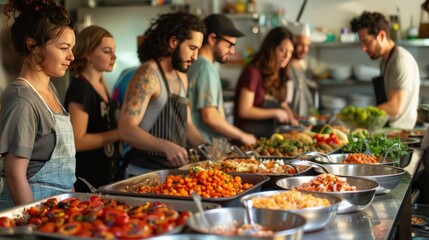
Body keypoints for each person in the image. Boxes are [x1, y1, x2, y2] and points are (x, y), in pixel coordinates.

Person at [0, 0, 76, 209]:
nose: (71, 56)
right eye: (64, 48)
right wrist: (33, 225)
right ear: (32, 45)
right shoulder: (23, 99)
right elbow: (15, 174)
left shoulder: (49, 90)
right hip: (34, 212)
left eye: (72, 48)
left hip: (56, 210)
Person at [118, 12, 207, 176]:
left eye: (198, 50)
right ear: (173, 42)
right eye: (192, 48)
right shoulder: (148, 75)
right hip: (144, 175)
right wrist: (166, 146)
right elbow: (125, 129)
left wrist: (208, 149)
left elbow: (187, 126)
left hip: (175, 175)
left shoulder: (182, 77)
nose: (195, 57)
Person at [64, 26, 121, 192]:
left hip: (107, 176)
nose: (114, 56)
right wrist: (118, 134)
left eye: (114, 51)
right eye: (107, 51)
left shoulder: (103, 85)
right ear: (88, 54)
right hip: (89, 178)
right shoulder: (81, 88)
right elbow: (78, 141)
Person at [187, 14, 256, 146]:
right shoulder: (206, 68)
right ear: (213, 38)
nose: (233, 51)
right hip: (205, 147)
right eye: (229, 45)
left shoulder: (195, 64)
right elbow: (209, 116)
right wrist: (243, 136)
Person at [350, 11, 420, 129]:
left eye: (366, 41)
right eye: (361, 43)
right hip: (388, 130)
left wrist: (361, 115)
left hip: (400, 135)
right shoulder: (385, 61)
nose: (363, 48)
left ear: (381, 36)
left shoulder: (400, 60)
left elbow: (395, 107)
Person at [233, 26, 299, 138]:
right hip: (247, 139)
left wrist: (290, 116)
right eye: (282, 50)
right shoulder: (252, 73)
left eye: (290, 52)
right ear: (270, 49)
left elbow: (281, 102)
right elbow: (244, 110)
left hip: (266, 136)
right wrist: (276, 112)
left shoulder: (278, 72)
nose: (287, 56)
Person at [287, 23, 319, 118]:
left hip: (302, 119)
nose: (305, 49)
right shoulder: (285, 67)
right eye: (301, 45)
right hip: (290, 120)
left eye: (307, 45)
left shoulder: (300, 66)